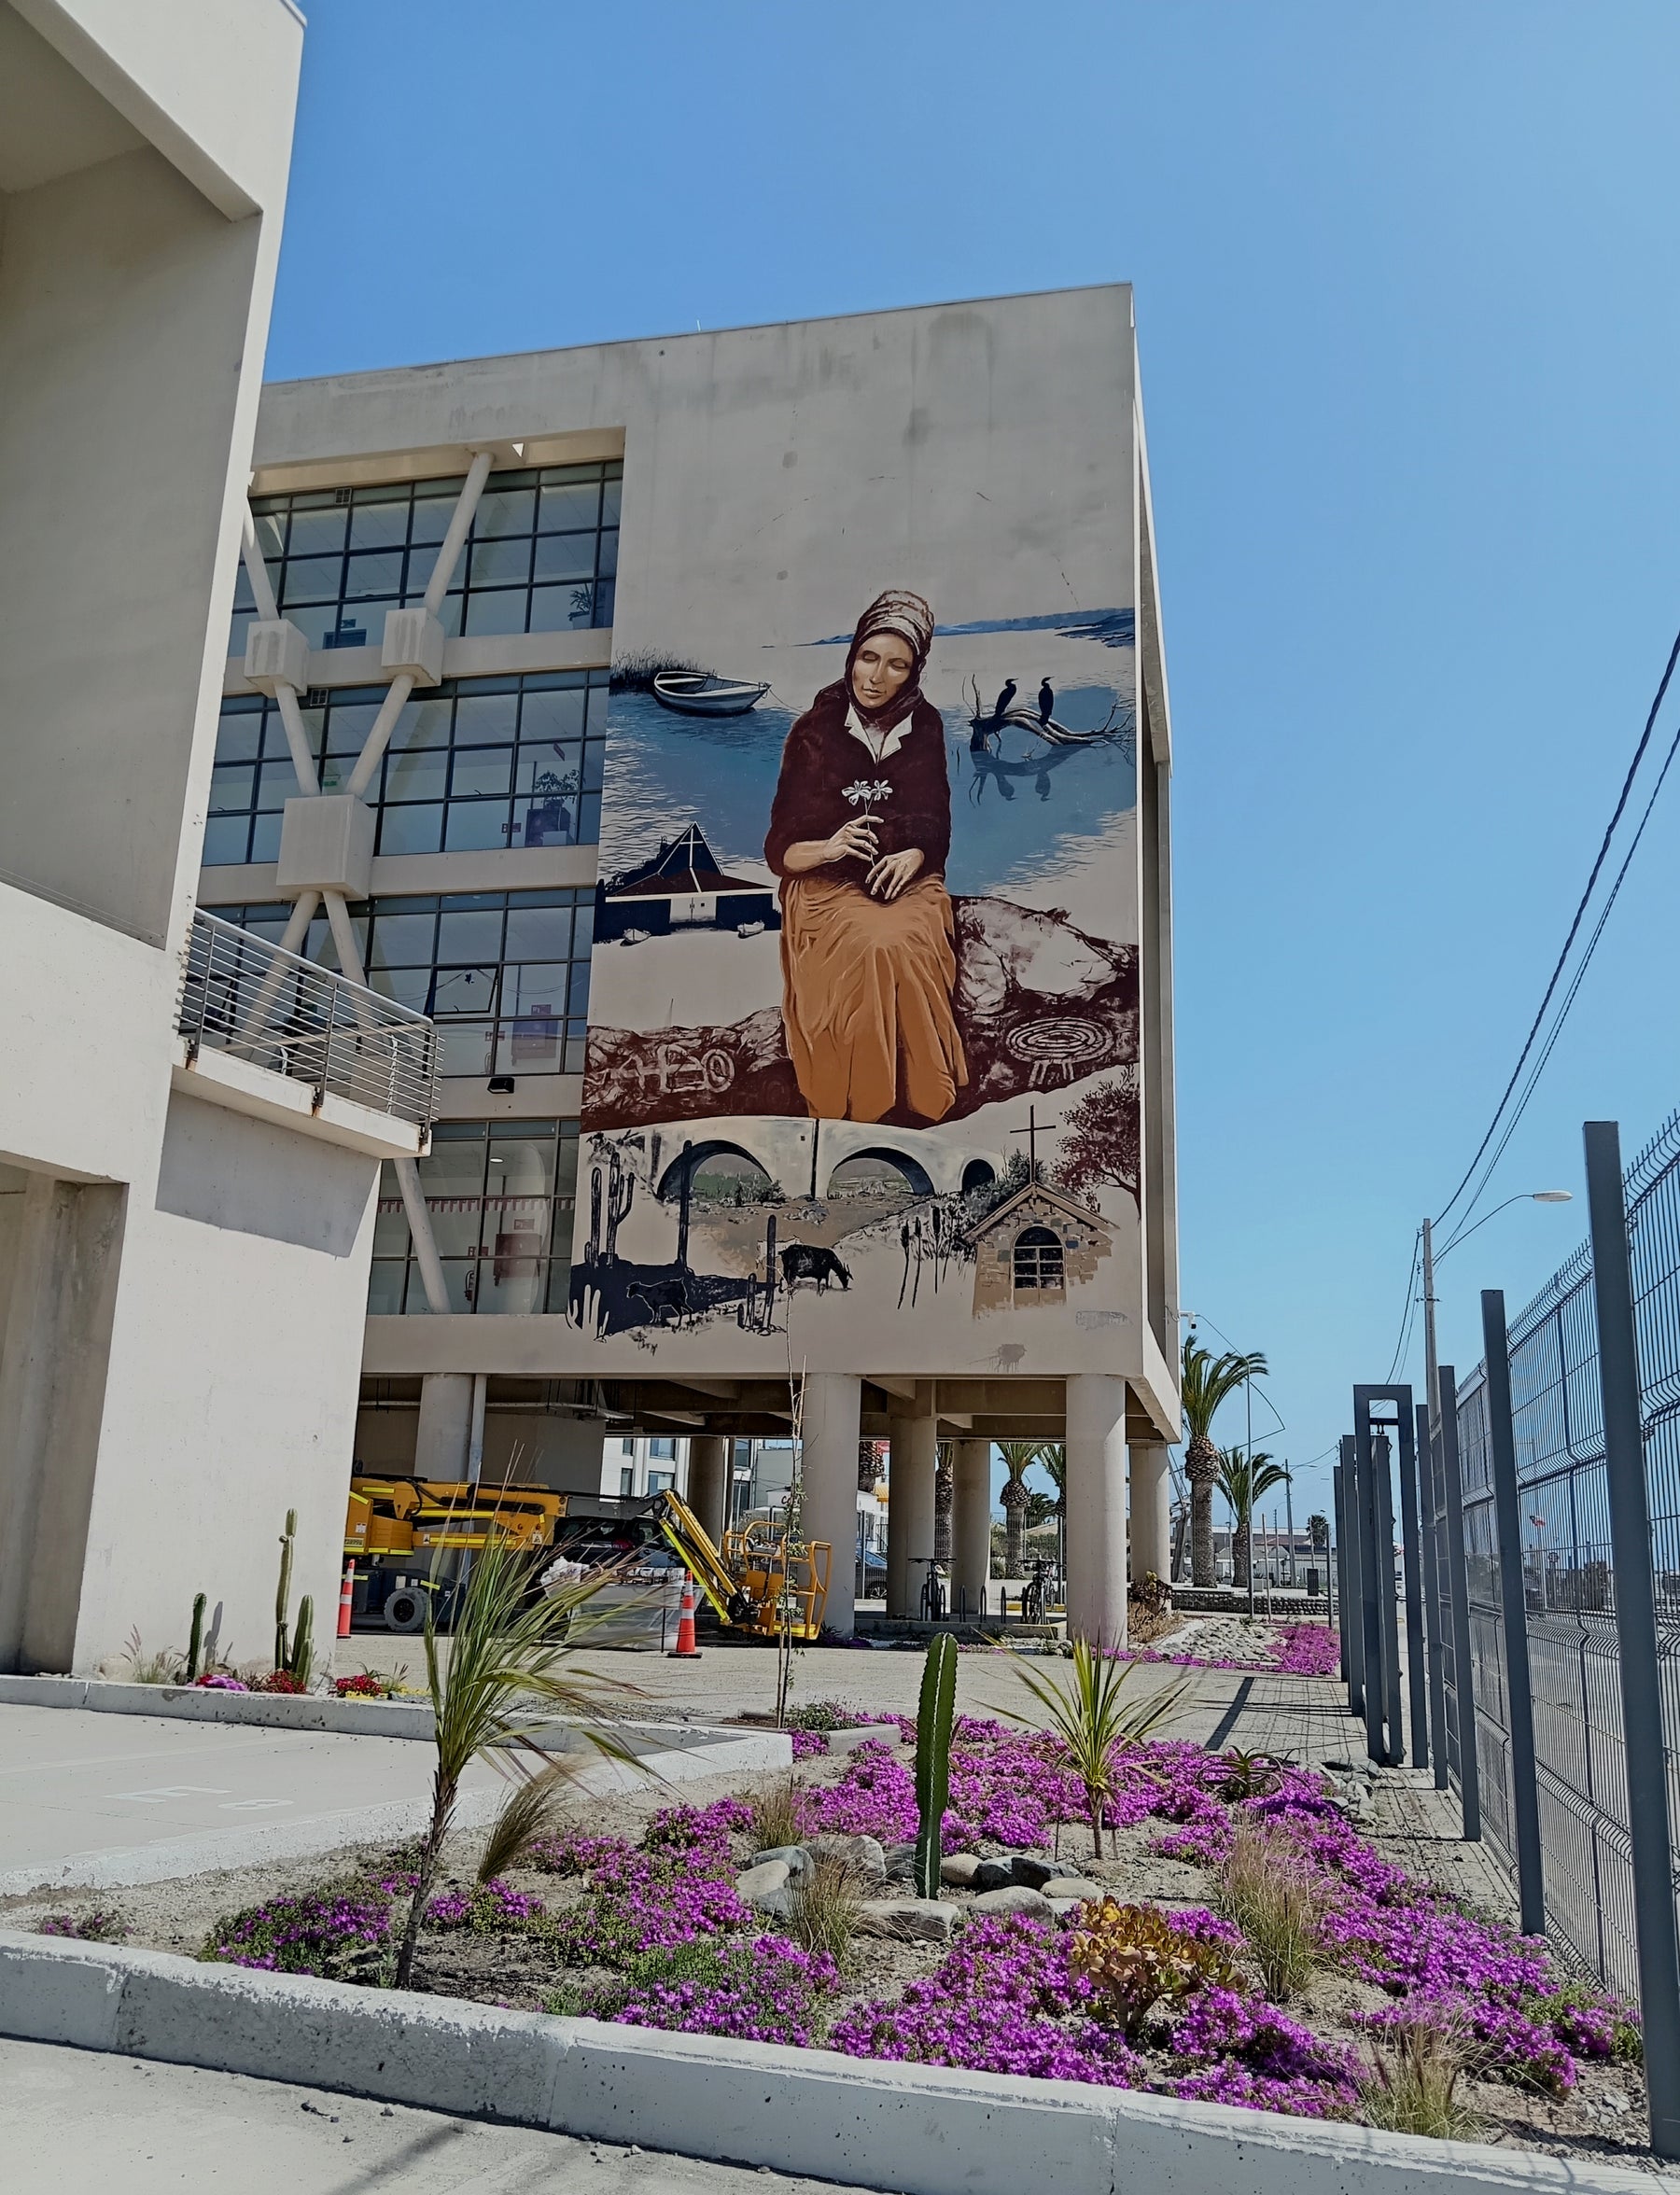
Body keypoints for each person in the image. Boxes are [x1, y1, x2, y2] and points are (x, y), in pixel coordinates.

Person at [765, 590, 967, 1124]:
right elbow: (780, 847)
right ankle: (862, 1106)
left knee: (908, 940)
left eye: (896, 664)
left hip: (903, 881)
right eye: (867, 658)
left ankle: (920, 1099)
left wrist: (918, 855)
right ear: (852, 656)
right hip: (824, 881)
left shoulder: (924, 727)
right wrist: (829, 846)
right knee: (872, 946)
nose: (876, 676)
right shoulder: (814, 732)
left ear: (914, 672)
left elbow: (935, 817)